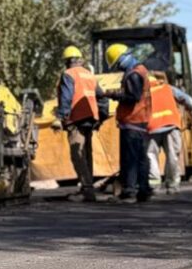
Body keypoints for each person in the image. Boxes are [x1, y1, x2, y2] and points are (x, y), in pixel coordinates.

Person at [53, 46, 109, 202]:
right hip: (90, 119)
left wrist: (60, 117)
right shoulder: (89, 75)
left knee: (78, 155)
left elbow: (67, 97)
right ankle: (88, 187)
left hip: (76, 120)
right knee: (87, 153)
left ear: (67, 61)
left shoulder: (68, 74)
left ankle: (87, 190)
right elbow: (102, 98)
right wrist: (101, 117)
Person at [103, 44, 153, 202]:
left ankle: (130, 190)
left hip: (132, 120)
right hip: (141, 120)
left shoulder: (133, 74)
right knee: (140, 157)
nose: (118, 67)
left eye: (118, 63)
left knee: (130, 158)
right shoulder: (141, 70)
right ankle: (143, 190)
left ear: (123, 58)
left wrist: (114, 95)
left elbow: (132, 97)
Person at [146, 71, 192, 194]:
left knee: (150, 155)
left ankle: (154, 185)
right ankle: (172, 185)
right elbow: (187, 100)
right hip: (171, 125)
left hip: (151, 128)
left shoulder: (144, 93)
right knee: (172, 156)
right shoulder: (167, 88)